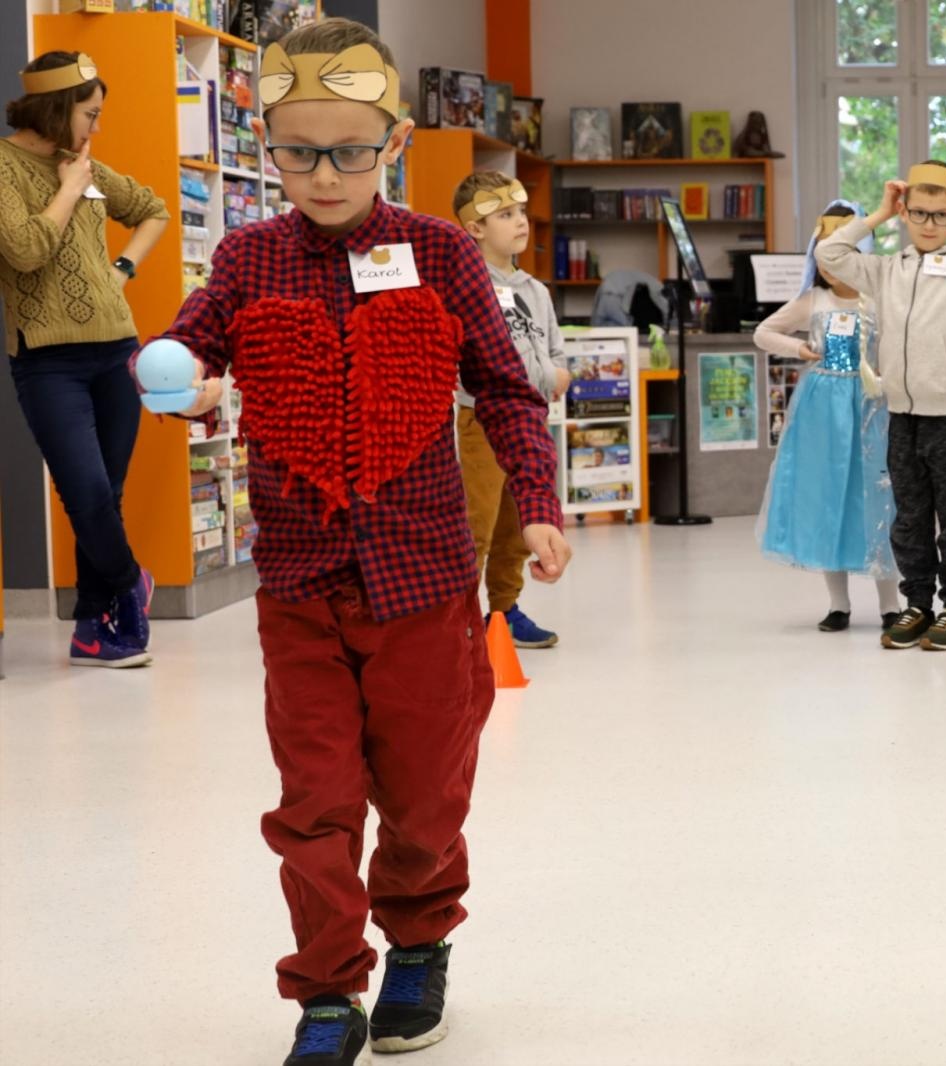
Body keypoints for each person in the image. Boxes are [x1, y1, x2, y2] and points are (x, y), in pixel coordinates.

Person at [146, 20, 570, 1066]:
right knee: (315, 797)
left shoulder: (439, 253)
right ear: (270, 144)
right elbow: (186, 349)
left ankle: (420, 935)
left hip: (423, 578)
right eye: (297, 151)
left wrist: (541, 502)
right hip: (299, 582)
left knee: (425, 791)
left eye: (348, 151)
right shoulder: (247, 256)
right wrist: (177, 382)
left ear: (392, 143)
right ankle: (328, 990)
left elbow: (506, 388)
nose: (322, 174)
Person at [816, 161, 946, 651]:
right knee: (909, 520)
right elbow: (830, 251)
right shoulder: (886, 270)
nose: (929, 223)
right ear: (905, 213)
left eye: (940, 214)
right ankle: (917, 604)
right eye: (918, 213)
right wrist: (876, 214)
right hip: (903, 418)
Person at [1, 51, 168, 667]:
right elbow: (23, 250)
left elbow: (152, 209)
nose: (93, 129)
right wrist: (70, 190)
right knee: (87, 492)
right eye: (89, 115)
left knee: (109, 494)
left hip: (116, 349)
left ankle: (93, 631)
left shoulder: (86, 163)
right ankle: (130, 584)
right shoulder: (6, 167)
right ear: (55, 107)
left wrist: (121, 268)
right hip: (47, 360)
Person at [754, 200, 900, 632]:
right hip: (823, 411)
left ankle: (891, 604)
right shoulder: (812, 301)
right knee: (827, 495)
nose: (835, 266)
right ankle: (839, 604)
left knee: (878, 496)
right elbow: (764, 332)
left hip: (873, 407)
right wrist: (801, 350)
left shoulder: (879, 300)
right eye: (826, 255)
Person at [453, 170, 570, 648]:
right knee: (476, 523)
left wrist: (556, 375)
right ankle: (459, 615)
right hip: (480, 419)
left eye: (521, 212)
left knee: (516, 525)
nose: (520, 222)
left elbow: (556, 354)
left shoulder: (535, 290)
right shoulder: (465, 286)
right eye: (505, 215)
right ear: (474, 228)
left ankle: (503, 610)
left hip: (531, 420)